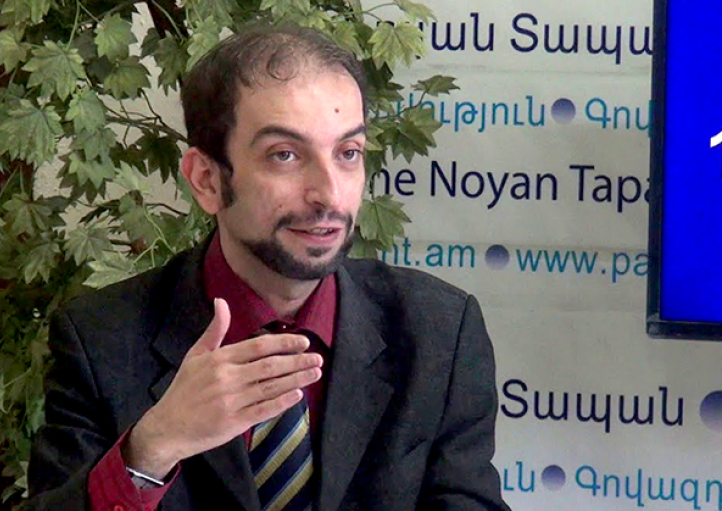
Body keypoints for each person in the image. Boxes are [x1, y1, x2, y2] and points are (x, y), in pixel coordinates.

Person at [26, 24, 511, 511]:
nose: (329, 194)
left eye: (348, 154)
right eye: (285, 155)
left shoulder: (439, 333)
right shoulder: (100, 338)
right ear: (207, 180)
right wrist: (153, 446)